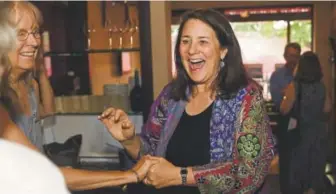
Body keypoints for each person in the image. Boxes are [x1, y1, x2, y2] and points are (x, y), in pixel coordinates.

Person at [99, 8, 275, 194]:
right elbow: (152, 158)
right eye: (185, 41)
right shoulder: (171, 96)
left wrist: (180, 175)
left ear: (223, 50)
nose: (192, 50)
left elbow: (250, 172)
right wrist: (129, 141)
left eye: (203, 41)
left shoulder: (246, 98)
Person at [0, 1, 158, 191]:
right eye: (21, 34)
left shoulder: (28, 85)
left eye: (35, 32)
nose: (34, 42)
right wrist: (131, 175)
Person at [280, 51, 331, 194]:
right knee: (315, 169)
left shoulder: (294, 86)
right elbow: (327, 108)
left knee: (299, 170)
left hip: (300, 133)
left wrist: (285, 97)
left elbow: (284, 109)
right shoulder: (322, 87)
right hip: (319, 133)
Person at [269, 42, 301, 194]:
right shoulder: (277, 76)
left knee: (301, 157)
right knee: (286, 157)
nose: (293, 59)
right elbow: (277, 100)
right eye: (290, 55)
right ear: (284, 56)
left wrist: (286, 93)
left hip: (302, 121)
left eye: (296, 55)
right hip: (285, 119)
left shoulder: (304, 75)